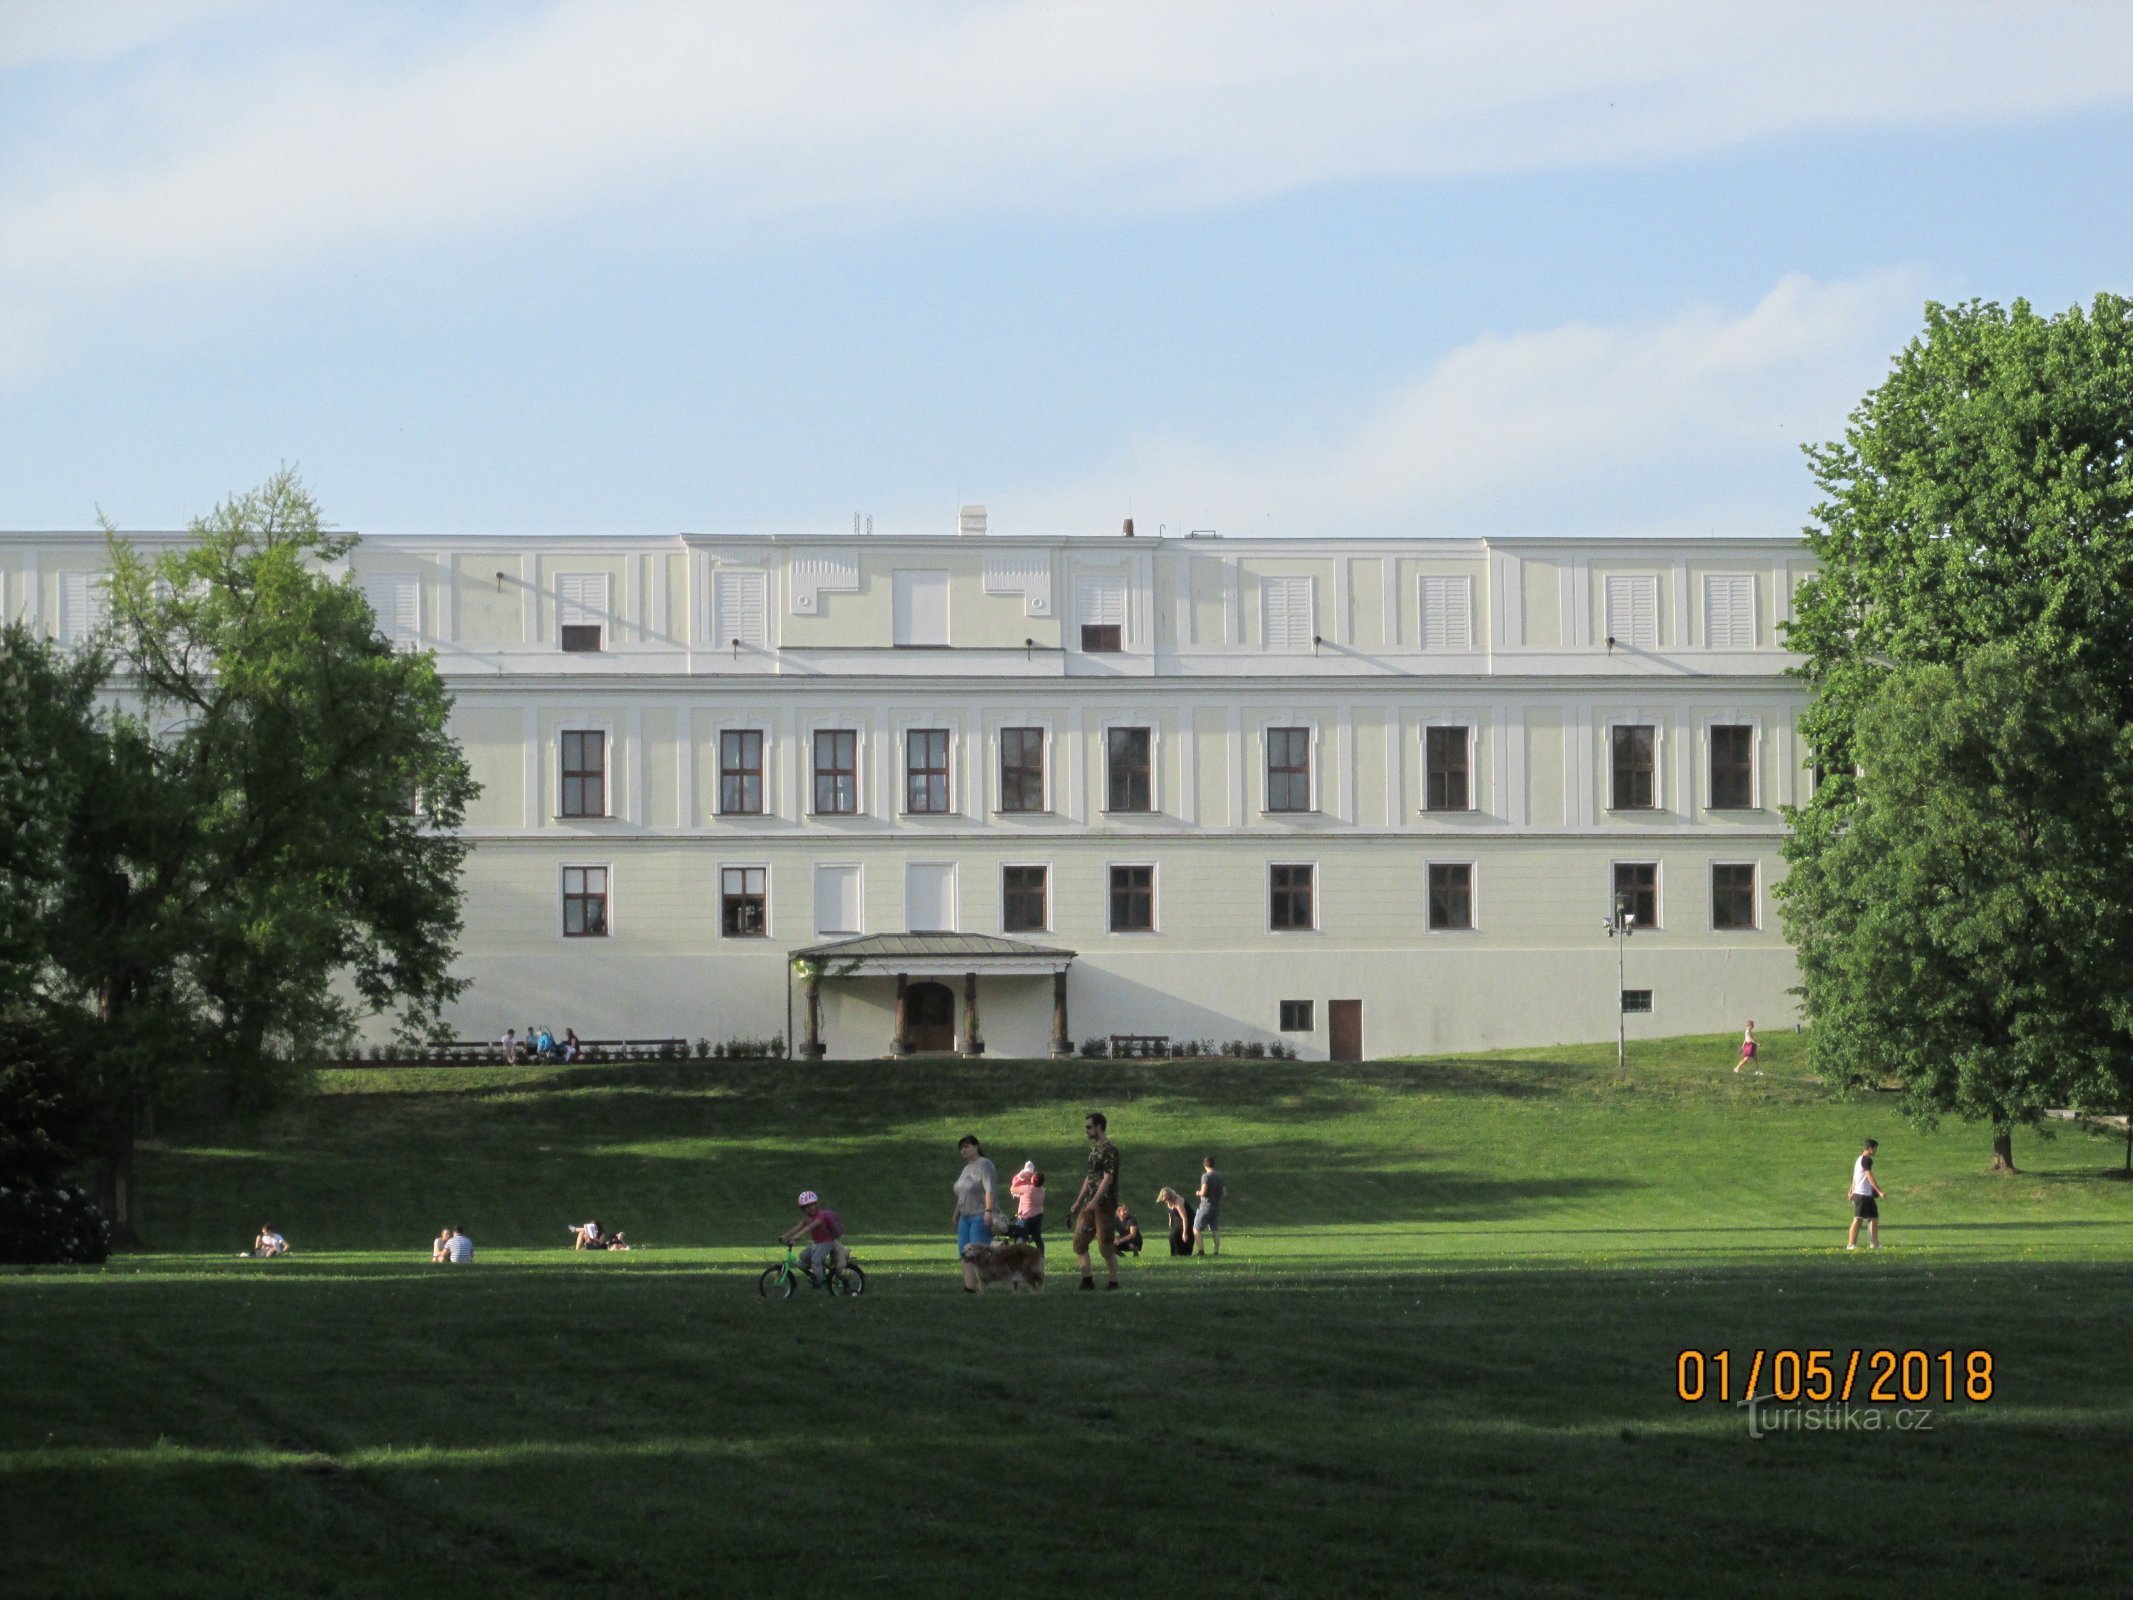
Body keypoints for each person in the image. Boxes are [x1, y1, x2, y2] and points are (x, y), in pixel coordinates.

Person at [1069, 1111, 1124, 1289]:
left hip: (1105, 1204)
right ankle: (1087, 1281)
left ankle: (1113, 1282)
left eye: (1089, 1127)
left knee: (1105, 1244)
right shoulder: (1094, 1149)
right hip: (1089, 1205)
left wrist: (1095, 1200)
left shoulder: (1109, 1150)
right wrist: (1079, 1201)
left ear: (1099, 1127)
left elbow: (1107, 1178)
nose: (1087, 1130)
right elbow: (1090, 1177)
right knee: (1079, 1241)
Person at [954, 1135, 999, 1293]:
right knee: (965, 1254)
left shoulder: (984, 1165)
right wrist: (956, 1214)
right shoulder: (966, 1168)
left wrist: (988, 1211)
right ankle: (968, 1288)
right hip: (965, 1217)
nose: (964, 1151)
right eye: (961, 1148)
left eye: (967, 1147)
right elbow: (962, 1193)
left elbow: (989, 1190)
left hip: (980, 1215)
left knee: (978, 1255)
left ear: (976, 1146)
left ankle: (983, 1287)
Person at [780, 1189, 846, 1289]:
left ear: (816, 1204)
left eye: (811, 1205)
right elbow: (798, 1227)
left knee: (816, 1259)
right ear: (803, 1209)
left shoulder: (820, 1216)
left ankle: (819, 1280)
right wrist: (785, 1236)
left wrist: (797, 1236)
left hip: (827, 1242)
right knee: (803, 1256)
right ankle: (819, 1270)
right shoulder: (807, 1218)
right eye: (806, 1207)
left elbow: (809, 1227)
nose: (810, 1208)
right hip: (816, 1243)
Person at [1847, 1139, 1885, 1250]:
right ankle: (1851, 1244)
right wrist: (1879, 1191)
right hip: (1861, 1194)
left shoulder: (1860, 1159)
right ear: (1870, 1149)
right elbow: (1869, 1176)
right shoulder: (1865, 1160)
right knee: (1858, 1219)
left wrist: (1851, 1190)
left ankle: (1875, 1243)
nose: (1876, 1151)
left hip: (1867, 1195)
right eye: (1875, 1148)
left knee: (1874, 1218)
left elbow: (1855, 1176)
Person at [1009, 1162, 1046, 1252]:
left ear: (1034, 1180)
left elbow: (1012, 1188)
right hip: (1038, 1216)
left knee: (1022, 1238)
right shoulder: (1043, 1190)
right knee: (1037, 1237)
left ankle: (1021, 1257)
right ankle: (1041, 1256)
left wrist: (1021, 1177)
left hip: (1025, 1217)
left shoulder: (1027, 1189)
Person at [1195, 1155, 1225, 1257]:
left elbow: (1204, 1191)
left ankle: (1201, 1251)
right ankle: (1215, 1252)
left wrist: (1198, 1193)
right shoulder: (1219, 1177)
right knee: (1215, 1230)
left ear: (1204, 1165)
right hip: (1216, 1207)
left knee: (1196, 1228)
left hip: (1205, 1206)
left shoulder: (1206, 1176)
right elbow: (1224, 1193)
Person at [1157, 1187, 1194, 1256]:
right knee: (1171, 1235)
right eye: (1165, 1200)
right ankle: (1174, 1254)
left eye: (1167, 1199)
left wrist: (1185, 1233)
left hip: (1188, 1220)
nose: (1166, 1201)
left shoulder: (1178, 1202)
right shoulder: (1168, 1201)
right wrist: (1170, 1222)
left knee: (1175, 1234)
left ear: (1171, 1197)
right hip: (1178, 1220)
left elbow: (1185, 1219)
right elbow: (1170, 1212)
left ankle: (1181, 1253)